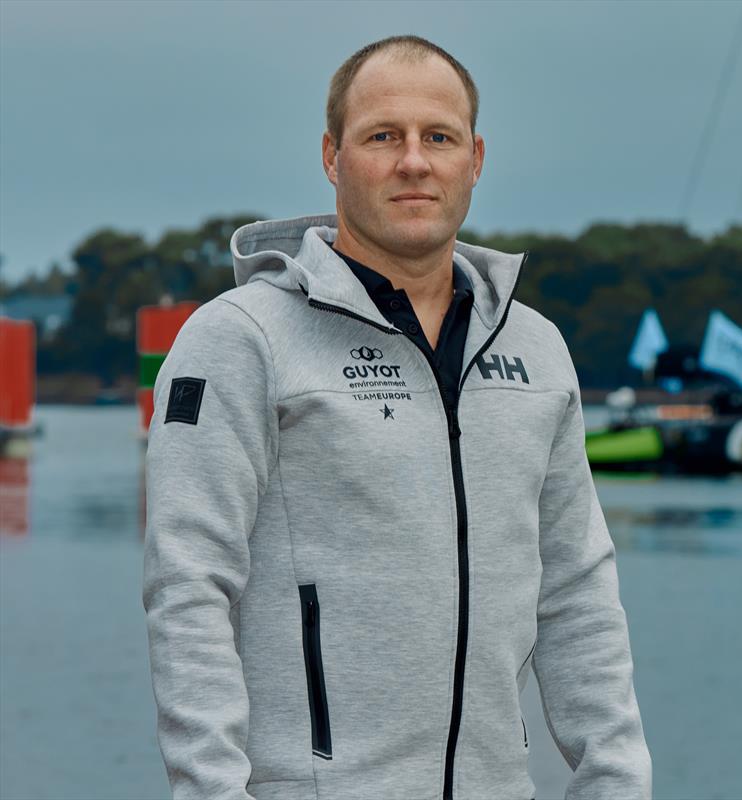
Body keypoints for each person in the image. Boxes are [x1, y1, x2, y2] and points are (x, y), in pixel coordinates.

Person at [142, 34, 652, 800]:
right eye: (383, 136)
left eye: (437, 137)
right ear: (332, 156)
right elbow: (188, 585)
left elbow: (576, 588)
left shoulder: (537, 350)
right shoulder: (241, 339)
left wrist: (616, 781)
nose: (414, 161)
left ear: (474, 159)